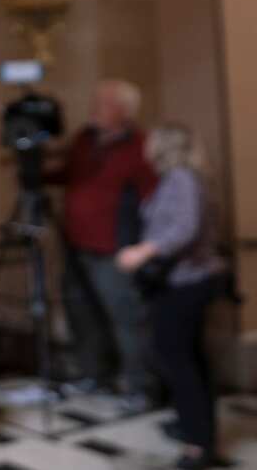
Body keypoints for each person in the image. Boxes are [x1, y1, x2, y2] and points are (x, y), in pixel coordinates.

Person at [117, 124, 227, 469]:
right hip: (183, 282)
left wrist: (142, 251)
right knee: (186, 357)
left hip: (186, 283)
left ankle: (198, 443)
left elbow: (184, 228)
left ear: (163, 146)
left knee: (178, 359)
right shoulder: (177, 178)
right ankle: (190, 424)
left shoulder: (181, 178)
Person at [54, 79, 158, 405]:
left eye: (104, 103)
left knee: (127, 319)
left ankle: (140, 387)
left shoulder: (140, 146)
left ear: (124, 111)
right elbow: (70, 175)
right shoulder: (84, 139)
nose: (94, 108)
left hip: (115, 249)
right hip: (76, 245)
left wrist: (144, 247)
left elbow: (152, 198)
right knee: (82, 314)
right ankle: (94, 375)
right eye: (96, 101)